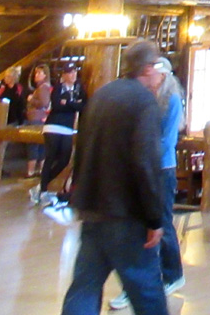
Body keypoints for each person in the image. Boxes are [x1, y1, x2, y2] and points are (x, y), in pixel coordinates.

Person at [62, 40, 167, 315]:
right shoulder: (144, 102)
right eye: (157, 67)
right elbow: (146, 162)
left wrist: (79, 192)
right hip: (126, 213)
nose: (160, 74)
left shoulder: (102, 94)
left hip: (93, 207)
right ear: (147, 68)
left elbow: (81, 146)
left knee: (85, 286)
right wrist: (154, 218)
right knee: (147, 290)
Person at [109, 56, 186, 310]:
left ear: (163, 76)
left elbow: (167, 140)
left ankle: (172, 274)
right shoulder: (144, 99)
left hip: (161, 168)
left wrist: (142, 154)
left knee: (161, 221)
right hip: (141, 168)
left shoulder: (171, 100)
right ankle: (134, 285)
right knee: (138, 226)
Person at [36, 62, 85, 205]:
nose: (73, 75)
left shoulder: (79, 88)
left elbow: (83, 105)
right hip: (53, 126)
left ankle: (43, 183)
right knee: (50, 157)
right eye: (70, 72)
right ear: (64, 75)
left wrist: (68, 103)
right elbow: (57, 105)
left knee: (65, 159)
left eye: (74, 72)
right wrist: (73, 104)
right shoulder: (58, 88)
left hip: (67, 129)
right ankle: (43, 190)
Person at [25, 63, 51, 179]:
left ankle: (31, 171)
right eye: (36, 73)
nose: (36, 75)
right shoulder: (41, 87)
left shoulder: (43, 88)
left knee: (33, 144)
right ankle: (40, 170)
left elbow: (44, 103)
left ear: (45, 75)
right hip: (38, 118)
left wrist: (31, 100)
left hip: (37, 119)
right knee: (39, 145)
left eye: (39, 73)